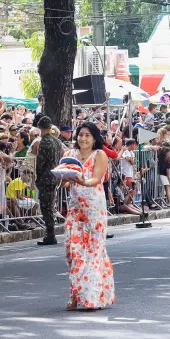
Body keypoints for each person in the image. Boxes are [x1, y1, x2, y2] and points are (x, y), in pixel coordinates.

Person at [64, 122, 115, 310]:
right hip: (75, 209)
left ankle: (93, 297)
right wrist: (64, 180)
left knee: (93, 252)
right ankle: (75, 294)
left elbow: (96, 178)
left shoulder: (99, 155)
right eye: (80, 135)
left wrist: (83, 181)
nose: (83, 139)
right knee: (73, 253)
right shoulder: (69, 155)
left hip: (94, 209)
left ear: (94, 138)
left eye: (87, 135)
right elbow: (65, 182)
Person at [35, 116, 63, 245]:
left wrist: (38, 178)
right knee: (51, 205)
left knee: (46, 207)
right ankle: (50, 233)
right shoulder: (57, 141)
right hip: (55, 176)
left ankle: (50, 234)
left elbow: (40, 163)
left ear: (40, 127)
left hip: (46, 178)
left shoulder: (44, 141)